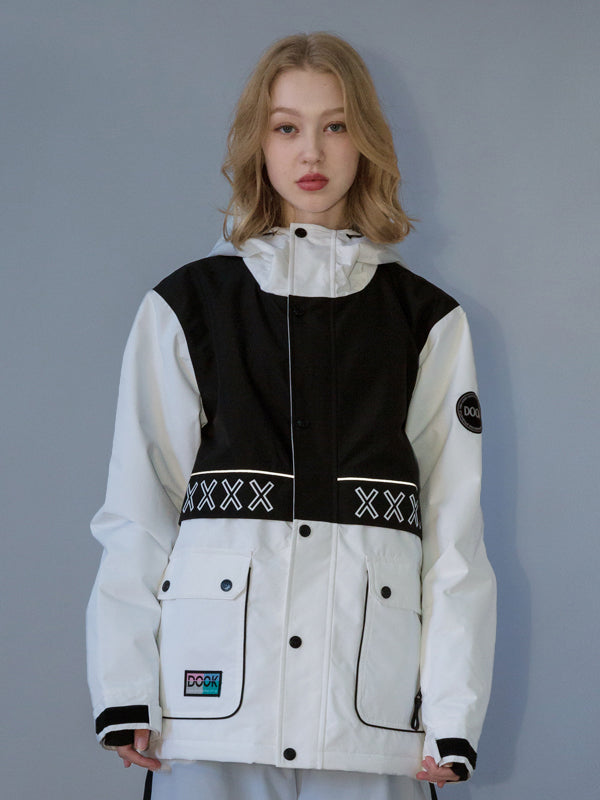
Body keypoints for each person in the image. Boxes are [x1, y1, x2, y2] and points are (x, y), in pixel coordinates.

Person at [86, 32, 496, 800]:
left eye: (336, 125)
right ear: (258, 143)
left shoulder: (426, 322)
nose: (312, 150)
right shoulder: (188, 307)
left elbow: (454, 536)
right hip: (212, 712)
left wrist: (452, 713)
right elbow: (139, 510)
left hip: (366, 718)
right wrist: (126, 687)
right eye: (287, 127)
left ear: (366, 140)